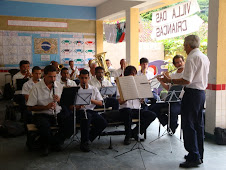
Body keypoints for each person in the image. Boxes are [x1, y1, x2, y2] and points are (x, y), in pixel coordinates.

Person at [160, 35, 210, 168]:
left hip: (192, 94)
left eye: (184, 45)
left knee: (189, 125)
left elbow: (186, 80)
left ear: (188, 45)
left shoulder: (192, 58)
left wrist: (169, 80)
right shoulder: (204, 57)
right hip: (201, 94)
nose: (183, 47)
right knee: (198, 125)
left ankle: (193, 156)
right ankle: (198, 154)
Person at [27, 65, 74, 156]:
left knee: (71, 124)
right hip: (41, 114)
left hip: (57, 112)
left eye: (55, 76)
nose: (53, 79)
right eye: (50, 76)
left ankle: (53, 142)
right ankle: (48, 145)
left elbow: (64, 103)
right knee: (44, 126)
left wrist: (59, 100)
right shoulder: (36, 88)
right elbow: (29, 107)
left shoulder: (59, 86)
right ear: (44, 75)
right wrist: (45, 107)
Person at [118, 66, 156, 145]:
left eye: (134, 74)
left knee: (151, 115)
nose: (134, 76)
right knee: (127, 112)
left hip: (136, 109)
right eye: (132, 74)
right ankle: (128, 136)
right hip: (125, 109)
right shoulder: (120, 85)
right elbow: (120, 102)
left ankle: (134, 133)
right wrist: (128, 96)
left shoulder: (138, 85)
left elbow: (142, 100)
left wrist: (142, 99)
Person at [149, 55, 185, 134]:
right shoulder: (173, 74)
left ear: (183, 62)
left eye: (180, 62)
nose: (179, 64)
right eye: (177, 63)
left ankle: (172, 128)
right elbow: (169, 88)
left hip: (180, 100)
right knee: (153, 107)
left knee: (173, 111)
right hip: (170, 99)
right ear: (174, 65)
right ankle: (166, 122)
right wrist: (161, 81)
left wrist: (169, 79)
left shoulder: (185, 74)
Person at [75, 69, 107, 152]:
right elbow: (71, 107)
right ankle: (84, 143)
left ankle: (88, 140)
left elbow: (100, 103)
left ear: (88, 78)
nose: (84, 80)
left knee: (103, 123)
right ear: (79, 78)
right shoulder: (75, 89)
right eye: (82, 78)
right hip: (80, 111)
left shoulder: (94, 89)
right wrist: (79, 106)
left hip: (91, 110)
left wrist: (91, 100)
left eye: (86, 78)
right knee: (86, 118)